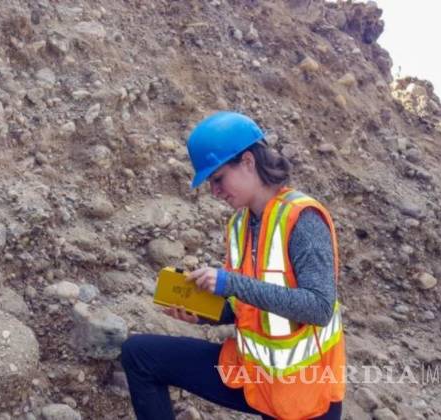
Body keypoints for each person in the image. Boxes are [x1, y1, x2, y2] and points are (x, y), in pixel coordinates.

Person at [121, 112, 345, 420]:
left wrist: (230, 283)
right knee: (140, 355)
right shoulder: (241, 224)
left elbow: (319, 308)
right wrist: (205, 313)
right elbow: (249, 308)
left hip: (303, 395)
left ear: (249, 162)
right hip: (251, 373)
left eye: (218, 179)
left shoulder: (302, 219)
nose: (215, 191)